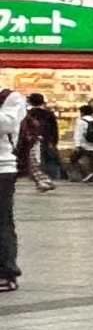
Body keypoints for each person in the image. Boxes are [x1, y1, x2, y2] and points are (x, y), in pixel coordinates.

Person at [0, 74, 21, 293]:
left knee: (2, 220)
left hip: (2, 168)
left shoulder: (10, 97)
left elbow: (7, 124)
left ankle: (6, 272)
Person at [18, 93, 57, 192]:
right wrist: (54, 141)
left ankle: (43, 180)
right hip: (46, 140)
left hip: (31, 140)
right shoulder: (49, 114)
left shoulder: (28, 114)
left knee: (31, 160)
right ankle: (44, 180)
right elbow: (54, 129)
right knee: (35, 160)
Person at [68, 103, 93, 182]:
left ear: (82, 112)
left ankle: (85, 174)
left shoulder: (81, 121)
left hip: (83, 145)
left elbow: (78, 133)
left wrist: (77, 145)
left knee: (73, 159)